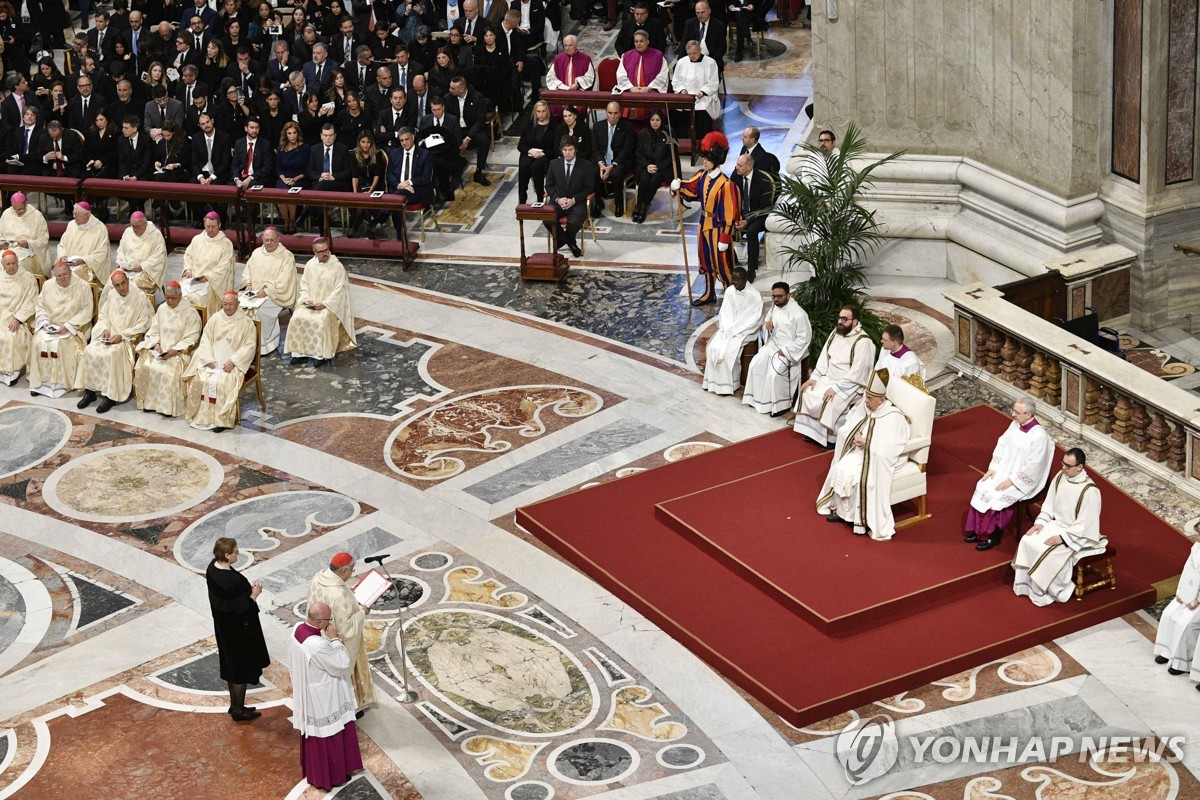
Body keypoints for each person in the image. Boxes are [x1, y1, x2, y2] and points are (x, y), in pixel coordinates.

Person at [815, 368, 911, 541]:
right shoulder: (870, 408)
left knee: (856, 476)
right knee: (841, 468)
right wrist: (856, 437)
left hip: (880, 458)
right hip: (864, 452)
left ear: (881, 400)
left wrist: (867, 443)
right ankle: (845, 514)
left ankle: (859, 520)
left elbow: (892, 446)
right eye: (866, 397)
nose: (866, 401)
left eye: (870, 398)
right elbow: (853, 425)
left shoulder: (893, 417)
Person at [288, 601, 365, 791]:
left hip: (309, 687)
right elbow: (341, 663)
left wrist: (330, 640)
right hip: (324, 694)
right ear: (320, 622)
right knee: (331, 733)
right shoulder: (318, 644)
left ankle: (319, 772)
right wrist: (335, 640)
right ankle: (334, 775)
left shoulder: (298, 628)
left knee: (319, 734)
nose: (330, 623)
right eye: (328, 620)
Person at [964, 396, 1056, 551]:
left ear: (1028, 414)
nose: (1013, 414)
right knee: (983, 486)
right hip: (1003, 470)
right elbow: (1002, 444)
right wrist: (993, 468)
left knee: (998, 496)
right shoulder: (1015, 425)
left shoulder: (1039, 436)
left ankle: (993, 535)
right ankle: (979, 532)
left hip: (1022, 479)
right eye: (1013, 410)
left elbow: (1034, 466)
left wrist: (1012, 481)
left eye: (1017, 412)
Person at [1012, 448, 1103, 605]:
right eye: (1062, 463)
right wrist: (1040, 523)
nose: (1063, 468)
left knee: (1046, 551)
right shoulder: (1061, 476)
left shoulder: (1090, 491)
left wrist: (1062, 539)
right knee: (1028, 540)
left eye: (1068, 466)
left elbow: (1086, 524)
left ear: (1080, 467)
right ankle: (1024, 587)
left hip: (1075, 534)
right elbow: (1049, 504)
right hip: (1055, 524)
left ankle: (1045, 591)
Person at [671, 131, 739, 305]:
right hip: (703, 225)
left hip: (718, 228)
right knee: (706, 260)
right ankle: (709, 293)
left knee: (722, 264)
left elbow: (730, 214)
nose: (704, 161)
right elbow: (692, 189)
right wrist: (678, 185)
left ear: (715, 159)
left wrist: (725, 236)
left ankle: (732, 297)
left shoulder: (726, 184)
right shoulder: (702, 175)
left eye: (707, 159)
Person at [207, 537, 270, 722]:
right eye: (235, 551)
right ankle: (239, 710)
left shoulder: (213, 567)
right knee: (240, 670)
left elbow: (229, 601)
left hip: (224, 628)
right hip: (238, 631)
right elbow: (242, 609)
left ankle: (235, 705)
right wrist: (253, 595)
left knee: (231, 666)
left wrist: (244, 593)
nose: (238, 553)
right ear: (226, 555)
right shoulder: (230, 580)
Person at [74, 269, 153, 413]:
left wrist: (122, 335)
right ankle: (90, 392)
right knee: (89, 351)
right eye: (117, 285)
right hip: (109, 337)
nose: (121, 288)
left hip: (125, 340)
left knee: (112, 355)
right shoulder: (111, 295)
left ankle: (110, 396)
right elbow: (104, 316)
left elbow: (144, 323)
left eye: (123, 283)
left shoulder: (140, 297)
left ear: (128, 280)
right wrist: (104, 329)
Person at [307, 551, 377, 711]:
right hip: (334, 639)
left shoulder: (319, 577)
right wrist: (362, 613)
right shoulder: (339, 594)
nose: (352, 574)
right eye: (351, 570)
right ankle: (348, 707)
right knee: (342, 673)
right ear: (344, 570)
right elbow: (347, 628)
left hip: (319, 634)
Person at [183, 290, 257, 431]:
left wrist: (233, 362)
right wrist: (209, 359)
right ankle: (202, 417)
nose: (227, 307)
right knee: (200, 379)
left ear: (238, 304)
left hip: (231, 365)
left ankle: (221, 421)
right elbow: (205, 340)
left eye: (231, 304)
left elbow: (249, 346)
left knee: (223, 383)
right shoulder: (215, 318)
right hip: (213, 362)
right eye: (225, 304)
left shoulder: (246, 323)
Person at [134, 282, 203, 417]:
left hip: (179, 354)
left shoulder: (190, 312)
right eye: (167, 298)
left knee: (169, 372)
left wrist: (176, 350)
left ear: (180, 296)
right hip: (160, 352)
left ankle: (167, 408)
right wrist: (156, 344)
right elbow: (154, 330)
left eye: (173, 298)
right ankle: (150, 404)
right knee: (146, 366)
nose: (170, 301)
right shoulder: (162, 309)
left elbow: (193, 336)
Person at [28, 260, 95, 398]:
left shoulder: (83, 286)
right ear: (53, 275)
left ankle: (63, 384)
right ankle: (40, 383)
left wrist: (68, 326)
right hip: (50, 327)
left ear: (71, 272)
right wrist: (45, 322)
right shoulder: (48, 286)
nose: (62, 279)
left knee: (60, 345)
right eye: (58, 276)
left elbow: (87, 310)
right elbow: (40, 306)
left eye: (65, 275)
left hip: (72, 330)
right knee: (38, 342)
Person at [284, 239, 358, 363]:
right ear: (314, 252)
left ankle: (320, 355)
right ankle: (299, 354)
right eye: (321, 252)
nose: (325, 254)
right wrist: (307, 300)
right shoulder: (310, 265)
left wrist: (324, 304)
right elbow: (304, 285)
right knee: (296, 317)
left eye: (326, 251)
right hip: (311, 302)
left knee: (321, 320)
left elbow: (340, 290)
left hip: (329, 306)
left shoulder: (337, 267)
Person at [743, 282, 811, 416]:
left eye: (780, 296)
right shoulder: (774, 307)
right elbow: (767, 323)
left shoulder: (799, 314)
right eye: (774, 296)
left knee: (774, 373)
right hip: (772, 344)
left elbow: (804, 338)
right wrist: (768, 326)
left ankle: (781, 405)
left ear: (788, 295)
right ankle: (756, 399)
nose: (776, 299)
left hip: (789, 349)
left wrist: (785, 351)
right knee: (755, 364)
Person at [701, 267, 763, 395]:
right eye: (733, 279)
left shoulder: (755, 295)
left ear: (745, 279)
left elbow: (754, 318)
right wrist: (725, 328)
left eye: (738, 280)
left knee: (729, 352)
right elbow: (724, 312)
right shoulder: (729, 291)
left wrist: (735, 330)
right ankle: (712, 383)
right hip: (728, 329)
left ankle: (728, 386)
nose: (735, 282)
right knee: (713, 348)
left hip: (745, 331)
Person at [240, 228, 298, 354]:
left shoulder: (286, 256)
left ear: (278, 239)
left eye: (272, 240)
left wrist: (267, 292)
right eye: (267, 240)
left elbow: (285, 281)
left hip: (276, 294)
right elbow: (247, 271)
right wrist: (248, 284)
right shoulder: (257, 253)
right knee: (238, 306)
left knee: (260, 311)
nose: (269, 243)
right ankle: (243, 343)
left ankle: (265, 345)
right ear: (262, 240)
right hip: (254, 293)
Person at [1155, 523, 1200, 676]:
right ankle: (1167, 651)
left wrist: (1197, 600)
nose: (1196, 537)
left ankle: (1182, 662)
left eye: (1199, 534)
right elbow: (1188, 571)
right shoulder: (1196, 548)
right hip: (1191, 591)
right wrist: (1183, 592)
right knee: (1169, 613)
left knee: (1187, 623)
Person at [543, 136, 596, 258]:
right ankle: (570, 242)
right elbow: (549, 186)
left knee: (575, 221)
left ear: (575, 150)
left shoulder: (586, 165)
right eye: (565, 150)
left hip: (577, 201)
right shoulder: (554, 164)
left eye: (570, 149)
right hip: (558, 200)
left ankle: (563, 240)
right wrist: (557, 199)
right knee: (547, 219)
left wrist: (574, 200)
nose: (567, 153)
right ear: (561, 150)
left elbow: (589, 188)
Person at [181, 212, 236, 315]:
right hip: (193, 279)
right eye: (208, 226)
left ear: (219, 225)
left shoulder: (226, 244)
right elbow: (188, 256)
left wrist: (208, 277)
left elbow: (224, 267)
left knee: (197, 299)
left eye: (213, 227)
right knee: (178, 293)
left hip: (212, 282)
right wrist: (188, 269)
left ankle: (202, 326)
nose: (210, 230)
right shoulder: (197, 239)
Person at [732, 152, 774, 282]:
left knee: (751, 231)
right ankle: (731, 259)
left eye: (739, 165)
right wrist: (736, 217)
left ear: (749, 167)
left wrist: (748, 220)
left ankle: (751, 268)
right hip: (740, 214)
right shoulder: (735, 177)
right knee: (723, 225)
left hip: (758, 215)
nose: (736, 167)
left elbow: (765, 206)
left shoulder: (763, 180)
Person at [0, 250, 38, 386]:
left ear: (18, 262)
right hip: (1, 316)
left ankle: (10, 374)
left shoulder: (27, 278)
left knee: (10, 337)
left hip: (18, 320)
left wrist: (18, 318)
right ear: (3, 265)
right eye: (8, 264)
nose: (11, 266)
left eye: (14, 263)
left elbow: (32, 302)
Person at [631, 108, 673, 224]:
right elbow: (638, 153)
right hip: (646, 165)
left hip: (662, 167)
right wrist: (647, 165)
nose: (655, 122)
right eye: (652, 120)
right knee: (644, 179)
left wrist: (658, 166)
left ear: (661, 121)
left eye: (657, 120)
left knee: (653, 181)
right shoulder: (642, 134)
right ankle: (638, 204)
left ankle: (644, 206)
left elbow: (671, 156)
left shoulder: (668, 133)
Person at [614, 30, 667, 121]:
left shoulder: (658, 56)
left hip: (650, 91)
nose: (638, 44)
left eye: (641, 41)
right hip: (631, 91)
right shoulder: (626, 56)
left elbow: (663, 76)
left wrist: (648, 88)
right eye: (636, 41)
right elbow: (621, 75)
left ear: (647, 41)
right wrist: (631, 88)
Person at [670, 40, 719, 137]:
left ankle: (702, 144)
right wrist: (682, 90)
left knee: (702, 119)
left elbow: (713, 82)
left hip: (702, 99)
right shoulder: (681, 62)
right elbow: (676, 81)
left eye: (694, 53)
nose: (692, 56)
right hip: (685, 98)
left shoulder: (710, 63)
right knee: (677, 115)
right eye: (689, 53)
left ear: (700, 51)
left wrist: (703, 92)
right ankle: (683, 143)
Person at [55, 202, 111, 284]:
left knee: (72, 276)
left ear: (86, 215)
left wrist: (82, 260)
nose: (74, 217)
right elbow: (62, 244)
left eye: (76, 214)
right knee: (56, 274)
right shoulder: (71, 225)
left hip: (87, 265)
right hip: (68, 263)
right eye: (73, 213)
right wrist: (63, 256)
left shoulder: (100, 229)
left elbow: (102, 253)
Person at [516, 100, 559, 205]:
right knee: (525, 165)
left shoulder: (555, 126)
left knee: (536, 166)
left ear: (547, 111)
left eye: (543, 111)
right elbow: (521, 145)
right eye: (538, 111)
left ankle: (540, 197)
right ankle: (522, 197)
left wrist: (543, 153)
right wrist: (530, 150)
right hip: (531, 153)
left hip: (547, 156)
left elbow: (556, 148)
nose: (541, 114)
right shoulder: (530, 124)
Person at [116, 212, 168, 295]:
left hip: (146, 272)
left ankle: (136, 307)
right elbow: (121, 249)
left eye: (138, 226)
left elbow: (159, 257)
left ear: (145, 224)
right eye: (133, 226)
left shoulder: (155, 235)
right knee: (113, 280)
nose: (135, 229)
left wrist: (142, 266)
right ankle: (117, 307)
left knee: (129, 285)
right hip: (127, 270)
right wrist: (122, 260)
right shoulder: (128, 232)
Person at [0, 192, 51, 276]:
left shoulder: (36, 216)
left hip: (27, 251)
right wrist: (2, 244)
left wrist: (29, 244)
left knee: (17, 263)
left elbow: (43, 239)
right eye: (15, 209)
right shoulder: (7, 213)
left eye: (20, 209)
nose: (17, 212)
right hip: (7, 248)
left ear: (26, 204)